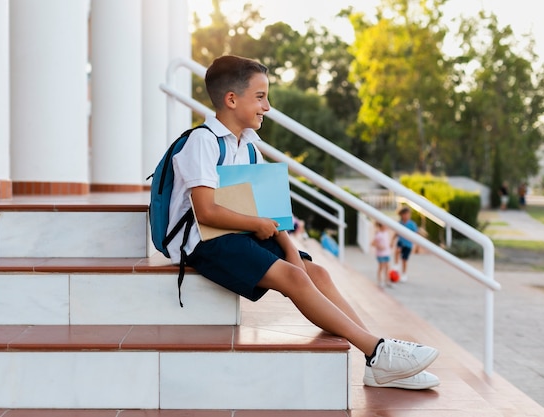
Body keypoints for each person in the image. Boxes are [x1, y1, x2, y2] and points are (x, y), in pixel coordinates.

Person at [167, 54, 439, 390]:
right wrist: (257, 226)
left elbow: (273, 213)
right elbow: (206, 212)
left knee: (316, 273)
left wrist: (290, 249)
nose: (267, 107)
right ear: (231, 99)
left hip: (241, 232)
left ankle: (376, 359)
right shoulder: (202, 142)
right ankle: (377, 351)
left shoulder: (251, 146)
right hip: (206, 242)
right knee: (293, 277)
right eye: (261, 97)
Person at [391, 206, 417, 282]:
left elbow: (416, 235)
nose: (405, 216)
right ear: (401, 215)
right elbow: (396, 233)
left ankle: (404, 274)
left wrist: (417, 247)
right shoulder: (400, 223)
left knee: (404, 260)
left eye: (407, 214)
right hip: (401, 242)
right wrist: (392, 241)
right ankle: (396, 265)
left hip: (408, 244)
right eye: (404, 214)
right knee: (397, 250)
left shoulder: (412, 224)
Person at [371, 221, 392, 288]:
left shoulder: (386, 233)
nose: (386, 226)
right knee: (381, 267)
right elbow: (373, 243)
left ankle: (387, 280)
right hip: (380, 254)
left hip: (386, 253)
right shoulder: (379, 234)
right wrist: (379, 246)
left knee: (387, 267)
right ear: (381, 226)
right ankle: (380, 281)